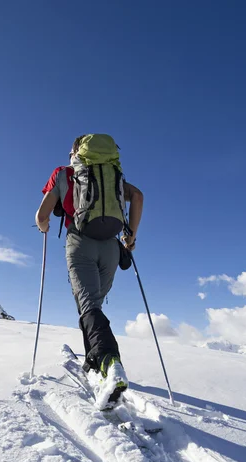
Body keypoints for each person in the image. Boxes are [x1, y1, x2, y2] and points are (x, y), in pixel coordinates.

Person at [36, 134, 143, 409]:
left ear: (75, 152)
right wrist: (131, 236)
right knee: (93, 305)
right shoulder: (114, 175)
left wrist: (44, 226)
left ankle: (110, 363)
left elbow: (42, 215)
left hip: (80, 241)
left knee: (88, 306)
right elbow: (138, 196)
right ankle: (92, 359)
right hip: (110, 246)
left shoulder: (64, 174)